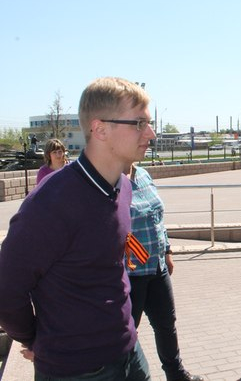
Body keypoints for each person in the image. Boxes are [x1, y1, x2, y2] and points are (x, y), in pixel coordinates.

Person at [0, 77, 155, 380]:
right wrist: (35, 339)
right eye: (139, 123)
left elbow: (110, 266)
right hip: (77, 370)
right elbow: (7, 288)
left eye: (149, 123)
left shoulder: (123, 188)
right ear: (100, 129)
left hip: (129, 353)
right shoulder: (51, 202)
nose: (150, 133)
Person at [126, 164, 203, 381]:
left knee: (166, 324)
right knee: (126, 332)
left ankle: (176, 374)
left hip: (157, 267)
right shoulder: (111, 179)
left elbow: (158, 219)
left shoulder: (143, 174)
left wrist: (167, 251)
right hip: (131, 273)